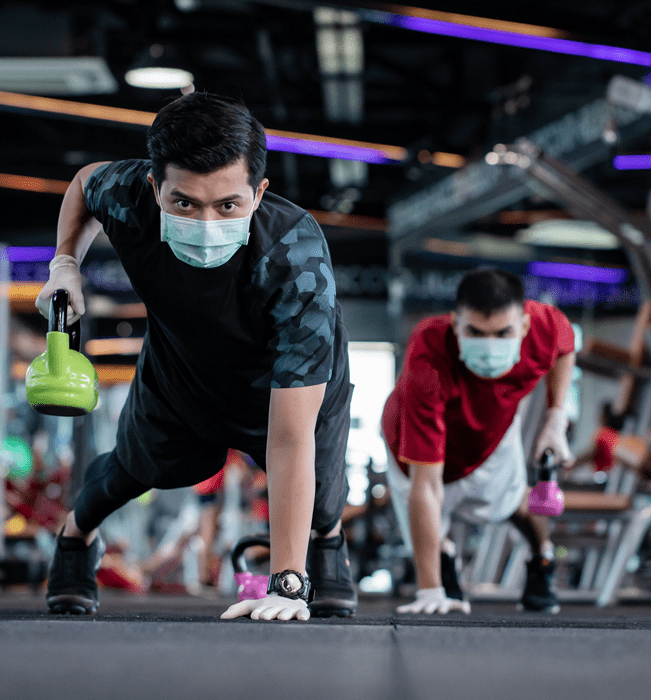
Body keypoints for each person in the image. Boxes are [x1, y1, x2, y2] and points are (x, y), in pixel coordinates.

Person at [35, 91, 356, 622]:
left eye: (228, 204)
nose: (206, 222)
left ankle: (328, 543)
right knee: (135, 469)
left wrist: (286, 583)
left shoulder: (295, 258)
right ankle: (75, 539)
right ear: (154, 186)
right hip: (183, 367)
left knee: (319, 495)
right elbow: (85, 181)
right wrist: (64, 262)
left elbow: (291, 435)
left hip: (286, 382)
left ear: (259, 193)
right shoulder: (128, 197)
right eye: (184, 202)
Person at [382, 269, 575, 615]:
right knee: (427, 523)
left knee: (517, 504)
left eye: (503, 333)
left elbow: (566, 347)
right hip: (412, 439)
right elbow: (426, 487)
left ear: (525, 326)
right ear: (455, 323)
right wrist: (428, 590)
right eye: (474, 332)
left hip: (492, 431)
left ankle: (541, 559)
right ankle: (444, 566)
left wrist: (555, 418)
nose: (490, 345)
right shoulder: (430, 351)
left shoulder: (545, 325)